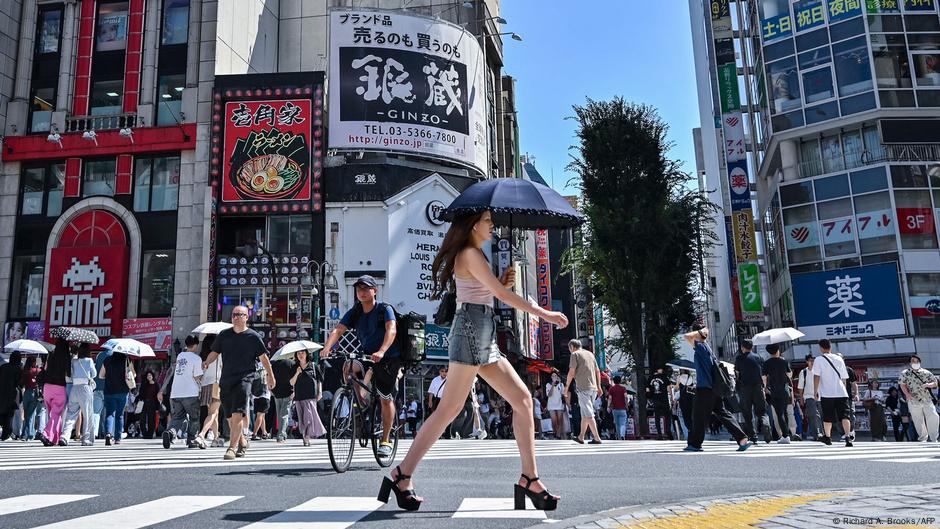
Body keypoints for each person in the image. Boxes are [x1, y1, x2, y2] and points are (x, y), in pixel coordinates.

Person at [376, 210, 568, 512]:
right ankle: (402, 474)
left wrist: (502, 283)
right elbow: (498, 295)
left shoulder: (475, 254)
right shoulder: (468, 253)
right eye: (488, 221)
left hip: (483, 332)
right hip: (469, 332)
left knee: (523, 400)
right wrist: (545, 314)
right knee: (448, 410)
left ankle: (529, 478)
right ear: (473, 224)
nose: (492, 225)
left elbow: (489, 293)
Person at [321, 275, 401, 456]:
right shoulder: (356, 311)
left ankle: (386, 440)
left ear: (375, 290)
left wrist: (382, 351)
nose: (362, 292)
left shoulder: (384, 309)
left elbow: (392, 329)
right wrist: (327, 347)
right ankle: (361, 400)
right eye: (359, 289)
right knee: (348, 367)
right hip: (367, 355)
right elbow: (338, 329)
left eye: (366, 289)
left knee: (385, 398)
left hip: (388, 357)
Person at [202, 306, 275, 461]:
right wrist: (207, 362)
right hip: (226, 379)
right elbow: (215, 352)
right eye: (234, 315)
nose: (235, 317)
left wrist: (271, 376)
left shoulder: (253, 337)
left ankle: (231, 448)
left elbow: (264, 359)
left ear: (246, 317)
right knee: (229, 416)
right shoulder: (224, 335)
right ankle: (242, 441)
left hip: (245, 379)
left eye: (239, 315)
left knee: (238, 415)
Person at [683, 327, 751, 453]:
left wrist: (701, 332)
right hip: (715, 388)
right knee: (723, 413)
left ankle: (695, 444)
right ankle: (742, 438)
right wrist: (703, 333)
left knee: (698, 416)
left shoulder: (700, 347)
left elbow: (687, 336)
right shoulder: (708, 348)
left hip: (704, 388)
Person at [162, 335, 205, 449]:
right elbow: (197, 377)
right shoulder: (196, 358)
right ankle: (191, 440)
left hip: (176, 392)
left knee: (178, 417)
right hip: (190, 392)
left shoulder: (180, 356)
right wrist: (203, 371)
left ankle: (170, 432)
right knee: (194, 417)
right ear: (195, 345)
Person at [812, 339, 853, 447]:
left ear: (821, 348)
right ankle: (848, 437)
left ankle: (828, 437)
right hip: (841, 392)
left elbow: (816, 376)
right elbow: (844, 378)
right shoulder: (839, 358)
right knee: (845, 416)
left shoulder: (819, 360)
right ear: (831, 347)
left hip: (827, 393)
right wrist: (842, 389)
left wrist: (815, 390)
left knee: (827, 416)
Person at [564, 339, 602, 445]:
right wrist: (599, 386)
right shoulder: (590, 354)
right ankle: (581, 436)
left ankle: (597, 437)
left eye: (569, 348)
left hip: (583, 387)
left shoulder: (575, 355)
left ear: (572, 347)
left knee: (588, 413)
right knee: (585, 413)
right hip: (593, 387)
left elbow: (571, 372)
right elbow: (597, 371)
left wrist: (566, 387)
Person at [734, 339, 769, 444]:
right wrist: (764, 387)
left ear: (742, 347)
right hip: (758, 387)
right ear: (752, 347)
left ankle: (753, 436)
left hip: (745, 389)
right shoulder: (758, 357)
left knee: (747, 413)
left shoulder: (739, 358)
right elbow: (763, 375)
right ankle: (765, 424)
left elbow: (737, 374)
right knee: (762, 412)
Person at [60, 345, 96, 445]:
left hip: (74, 388)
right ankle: (86, 439)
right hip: (85, 388)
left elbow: (71, 375)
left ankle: (65, 436)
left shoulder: (74, 361)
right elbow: (94, 374)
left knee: (71, 413)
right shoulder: (89, 361)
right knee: (87, 414)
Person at [898, 354, 939, 442]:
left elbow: (935, 383)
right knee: (918, 420)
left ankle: (934, 438)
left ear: (919, 362)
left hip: (926, 398)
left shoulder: (926, 372)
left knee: (933, 416)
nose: (915, 362)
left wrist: (929, 385)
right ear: (910, 362)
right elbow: (902, 384)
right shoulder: (905, 373)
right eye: (913, 361)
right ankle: (923, 438)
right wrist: (907, 394)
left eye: (917, 361)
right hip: (913, 399)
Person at [40, 339, 71, 447]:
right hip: (59, 387)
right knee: (56, 414)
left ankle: (54, 439)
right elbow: (69, 374)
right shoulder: (66, 356)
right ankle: (46, 433)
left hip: (47, 387)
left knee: (52, 415)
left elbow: (45, 368)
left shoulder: (51, 354)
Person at [290, 349, 323, 446]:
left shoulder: (313, 365)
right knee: (302, 418)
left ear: (307, 354)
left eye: (302, 353)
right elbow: (291, 382)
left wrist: (320, 392)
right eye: (298, 353)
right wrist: (297, 373)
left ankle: (307, 437)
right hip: (299, 396)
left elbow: (319, 380)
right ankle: (305, 434)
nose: (300, 355)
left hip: (311, 395)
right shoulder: (294, 367)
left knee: (309, 417)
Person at [99, 350, 132, 445]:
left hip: (109, 391)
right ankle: (117, 438)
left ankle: (108, 434)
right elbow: (133, 374)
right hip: (122, 391)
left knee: (109, 413)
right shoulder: (126, 360)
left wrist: (109, 376)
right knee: (119, 415)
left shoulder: (107, 360)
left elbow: (101, 375)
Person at [196, 335, 224, 447]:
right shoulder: (218, 355)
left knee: (213, 413)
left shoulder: (202, 356)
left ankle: (216, 439)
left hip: (205, 385)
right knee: (213, 413)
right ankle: (202, 435)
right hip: (216, 384)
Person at [762, 344, 792, 444]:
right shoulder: (784, 361)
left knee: (779, 414)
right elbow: (789, 375)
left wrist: (765, 389)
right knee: (785, 412)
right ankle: (787, 434)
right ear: (778, 351)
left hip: (774, 391)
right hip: (785, 390)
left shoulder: (767, 363)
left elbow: (764, 378)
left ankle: (785, 435)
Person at [270, 355, 295, 443]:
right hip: (288, 391)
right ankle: (281, 435)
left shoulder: (274, 364)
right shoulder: (292, 363)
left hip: (277, 392)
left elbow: (270, 377)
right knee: (284, 414)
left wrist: (271, 390)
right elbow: (294, 379)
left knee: (280, 414)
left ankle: (282, 433)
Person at [797, 354, 821, 441]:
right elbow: (800, 387)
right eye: (810, 360)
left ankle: (818, 434)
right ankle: (818, 433)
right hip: (809, 396)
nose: (812, 362)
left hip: (820, 396)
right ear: (807, 361)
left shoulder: (818, 371)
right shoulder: (804, 372)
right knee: (814, 415)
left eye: (813, 360)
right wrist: (801, 399)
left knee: (817, 416)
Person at [0, 351, 23, 440]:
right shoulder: (18, 369)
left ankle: (4, 431)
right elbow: (19, 382)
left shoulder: (3, 367)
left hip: (1, 393)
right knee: (9, 415)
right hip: (12, 394)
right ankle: (6, 434)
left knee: (1, 412)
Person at [645, 366, 672, 440]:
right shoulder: (664, 377)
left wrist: (651, 397)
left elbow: (647, 389)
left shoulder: (650, 378)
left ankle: (659, 434)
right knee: (667, 416)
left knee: (657, 417)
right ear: (658, 369)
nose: (662, 370)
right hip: (664, 399)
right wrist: (671, 398)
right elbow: (669, 388)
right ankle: (668, 431)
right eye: (661, 369)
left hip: (655, 399)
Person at [19, 356, 41, 441]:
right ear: (34, 362)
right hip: (34, 393)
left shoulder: (24, 371)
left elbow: (21, 382)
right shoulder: (37, 371)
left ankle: (27, 433)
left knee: (26, 414)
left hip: (26, 393)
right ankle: (28, 434)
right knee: (31, 414)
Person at [250, 359, 271, 441]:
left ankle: (264, 432)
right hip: (265, 393)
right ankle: (254, 434)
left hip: (255, 394)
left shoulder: (255, 365)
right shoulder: (268, 365)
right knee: (260, 415)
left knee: (262, 415)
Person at [426, 367, 449, 438]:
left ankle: (447, 433)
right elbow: (431, 392)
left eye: (446, 371)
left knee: (446, 417)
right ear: (439, 372)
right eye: (442, 371)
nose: (444, 373)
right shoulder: (435, 380)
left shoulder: (449, 379)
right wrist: (430, 401)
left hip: (446, 400)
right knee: (436, 417)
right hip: (437, 400)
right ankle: (436, 433)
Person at [545, 372, 566, 440]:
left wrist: (560, 384)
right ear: (551, 377)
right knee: (554, 421)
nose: (554, 377)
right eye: (553, 376)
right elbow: (549, 394)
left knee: (560, 420)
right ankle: (555, 432)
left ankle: (558, 435)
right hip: (551, 405)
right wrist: (553, 385)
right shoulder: (548, 385)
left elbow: (563, 394)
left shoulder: (561, 384)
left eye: (555, 376)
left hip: (559, 404)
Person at [607, 375, 629, 440]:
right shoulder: (623, 388)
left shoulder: (611, 389)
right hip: (623, 408)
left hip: (615, 409)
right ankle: (622, 435)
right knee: (623, 423)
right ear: (620, 381)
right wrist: (626, 405)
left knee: (617, 424)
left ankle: (619, 436)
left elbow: (610, 398)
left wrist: (608, 407)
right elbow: (626, 397)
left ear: (614, 381)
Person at [676, 369, 695, 435]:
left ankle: (689, 430)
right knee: (690, 416)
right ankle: (692, 431)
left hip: (683, 400)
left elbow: (677, 388)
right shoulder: (691, 377)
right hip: (691, 400)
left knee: (685, 416)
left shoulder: (679, 377)